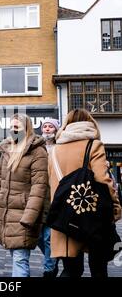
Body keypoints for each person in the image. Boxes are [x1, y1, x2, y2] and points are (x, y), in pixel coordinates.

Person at [48, 108, 122, 277]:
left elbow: (51, 185)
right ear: (90, 123)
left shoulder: (54, 150)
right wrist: (115, 207)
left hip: (64, 217)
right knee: (98, 269)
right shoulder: (94, 145)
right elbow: (103, 180)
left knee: (71, 270)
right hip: (92, 217)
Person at [0, 113, 49, 277]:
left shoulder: (37, 152)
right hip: (6, 212)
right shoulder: (7, 149)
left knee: (19, 258)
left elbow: (39, 187)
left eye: (16, 127)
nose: (12, 130)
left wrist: (29, 216)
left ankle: (50, 266)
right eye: (11, 127)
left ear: (27, 128)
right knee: (15, 256)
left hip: (24, 213)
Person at [38, 118, 60, 277]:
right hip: (39, 193)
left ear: (56, 129)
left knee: (48, 236)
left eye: (50, 126)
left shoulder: (60, 147)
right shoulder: (37, 147)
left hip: (55, 194)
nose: (46, 129)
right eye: (44, 126)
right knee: (38, 235)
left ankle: (49, 269)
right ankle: (53, 259)